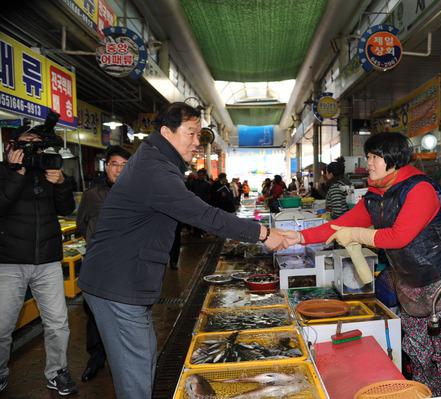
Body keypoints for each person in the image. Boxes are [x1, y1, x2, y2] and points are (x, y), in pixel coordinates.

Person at [77, 102, 290, 399]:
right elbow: (203, 215)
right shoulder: (154, 169)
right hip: (117, 283)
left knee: (144, 356)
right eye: (190, 133)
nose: (196, 142)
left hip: (123, 279)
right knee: (135, 371)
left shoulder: (158, 163)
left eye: (199, 134)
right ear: (166, 132)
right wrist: (262, 234)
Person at [283, 132, 441, 396]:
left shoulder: (420, 189)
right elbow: (343, 224)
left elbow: (399, 236)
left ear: (393, 159)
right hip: (409, 284)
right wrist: (300, 237)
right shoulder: (376, 194)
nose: (368, 163)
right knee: (418, 352)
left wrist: (358, 236)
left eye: (374, 157)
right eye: (369, 156)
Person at [0, 121, 78, 395]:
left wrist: (60, 184)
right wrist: (15, 173)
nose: (32, 150)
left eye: (37, 145)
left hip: (47, 261)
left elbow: (68, 209)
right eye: (26, 144)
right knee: (2, 326)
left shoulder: (50, 172)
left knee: (58, 323)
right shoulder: (3, 172)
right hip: (9, 262)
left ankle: (57, 372)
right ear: (13, 146)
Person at [76, 145, 130, 382]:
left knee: (126, 315)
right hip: (98, 265)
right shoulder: (93, 194)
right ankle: (96, 358)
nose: (118, 170)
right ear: (106, 166)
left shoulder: (137, 193)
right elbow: (80, 225)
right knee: (96, 315)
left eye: (124, 165)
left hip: (126, 265)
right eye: (114, 164)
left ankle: (124, 361)